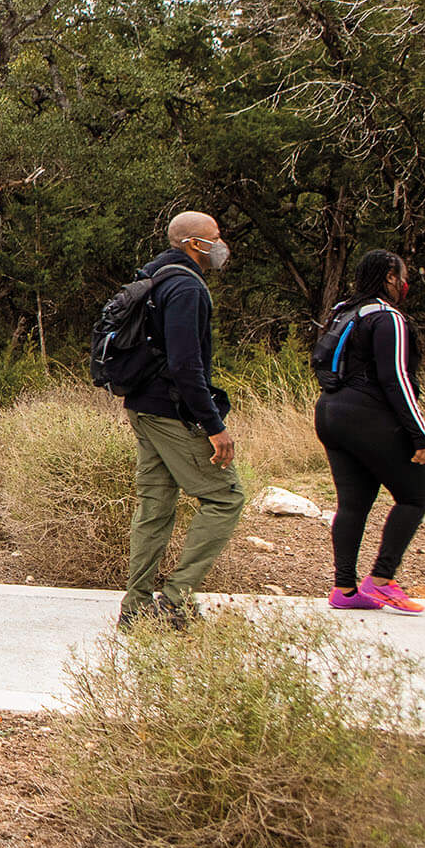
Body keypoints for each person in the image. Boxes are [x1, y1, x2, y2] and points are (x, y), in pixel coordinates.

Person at [118, 210, 247, 627]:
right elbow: (186, 364)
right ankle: (174, 601)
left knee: (155, 506)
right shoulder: (186, 287)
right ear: (195, 244)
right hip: (170, 410)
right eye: (216, 237)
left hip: (142, 406)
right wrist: (214, 426)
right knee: (225, 497)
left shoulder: (152, 277)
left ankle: (136, 608)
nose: (221, 245)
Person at [315, 250, 425, 614]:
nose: (405, 282)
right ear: (389, 277)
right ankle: (381, 580)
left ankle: (345, 588)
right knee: (416, 495)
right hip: (367, 415)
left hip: (329, 411)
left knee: (353, 503)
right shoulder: (388, 318)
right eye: (403, 275)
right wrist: (420, 434)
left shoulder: (344, 310)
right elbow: (395, 378)